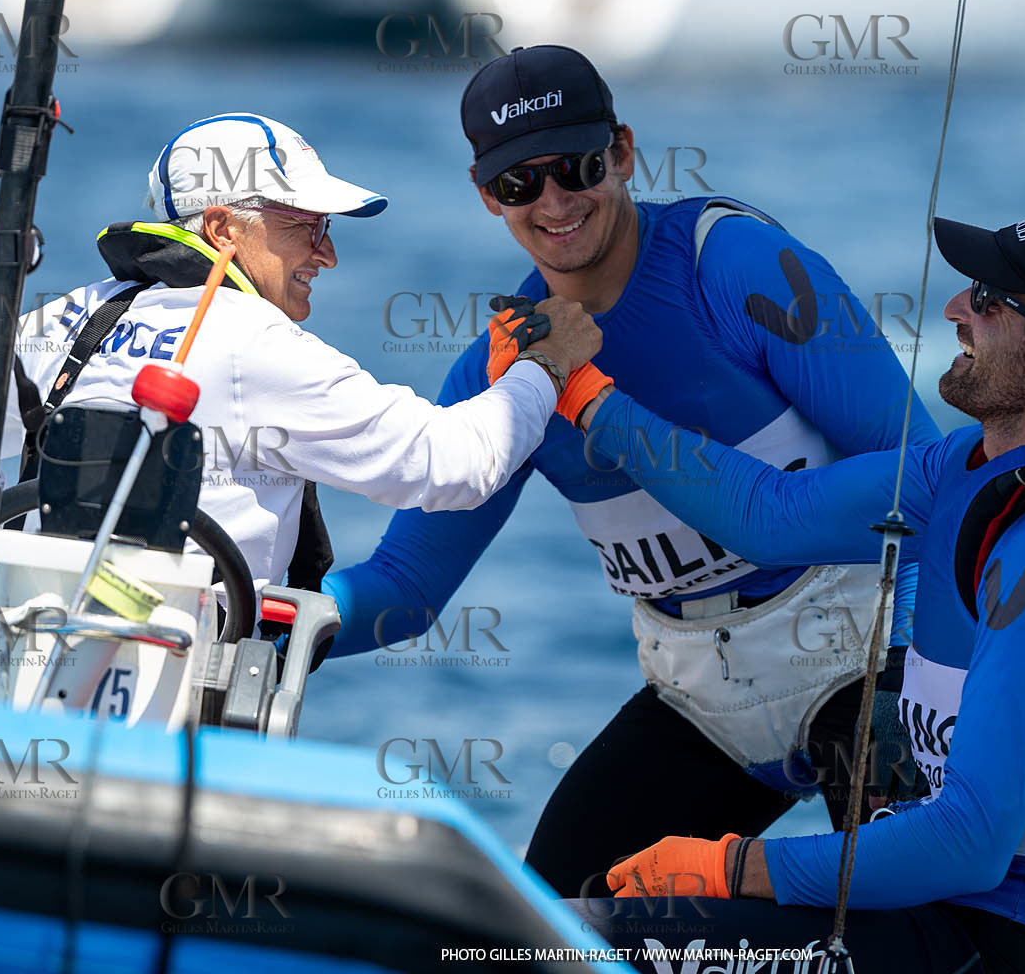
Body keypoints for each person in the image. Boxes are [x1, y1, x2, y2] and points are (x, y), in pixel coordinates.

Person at [323, 45, 941, 895]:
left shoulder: (733, 266)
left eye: (576, 167)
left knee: (924, 927)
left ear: (623, 152)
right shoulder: (502, 372)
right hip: (705, 703)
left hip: (869, 663)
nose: (555, 202)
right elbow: (406, 585)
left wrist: (918, 673)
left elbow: (923, 476)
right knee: (542, 933)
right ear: (485, 195)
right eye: (518, 185)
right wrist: (266, 619)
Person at [581, 205, 1025, 973]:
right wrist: (588, 397)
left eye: (988, 299)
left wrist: (729, 867)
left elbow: (972, 843)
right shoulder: (966, 466)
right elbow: (769, 517)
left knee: (561, 947)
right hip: (953, 913)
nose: (955, 309)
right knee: (555, 929)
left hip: (1005, 944)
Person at [0, 112, 600, 609]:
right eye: (306, 227)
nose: (327, 253)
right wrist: (547, 364)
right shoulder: (252, 343)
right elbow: (454, 464)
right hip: (179, 709)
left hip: (26, 673)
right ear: (223, 228)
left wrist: (20, 564)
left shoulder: (73, 315)